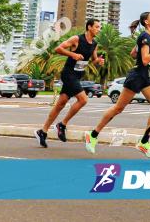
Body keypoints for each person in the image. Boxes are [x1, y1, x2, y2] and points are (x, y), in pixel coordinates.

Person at [86, 11, 150, 157]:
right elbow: (144, 60)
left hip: (146, 77)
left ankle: (144, 142)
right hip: (137, 77)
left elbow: (133, 54)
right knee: (118, 108)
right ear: (147, 22)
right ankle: (92, 135)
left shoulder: (147, 38)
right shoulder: (145, 37)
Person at [35, 18, 105, 148]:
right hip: (68, 74)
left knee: (60, 104)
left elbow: (93, 60)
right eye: (96, 27)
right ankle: (62, 124)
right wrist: (73, 55)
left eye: (99, 27)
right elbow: (58, 49)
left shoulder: (94, 44)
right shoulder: (77, 39)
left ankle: (42, 132)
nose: (98, 29)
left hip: (77, 75)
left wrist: (99, 61)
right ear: (89, 27)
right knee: (83, 100)